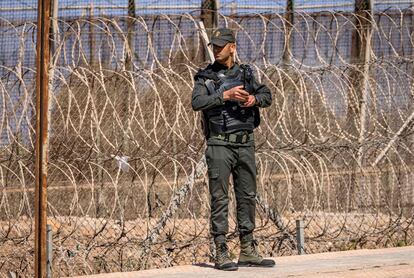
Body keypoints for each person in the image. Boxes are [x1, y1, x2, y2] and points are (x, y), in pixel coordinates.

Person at [191, 28, 275, 271]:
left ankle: (248, 249)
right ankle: (221, 251)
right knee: (219, 198)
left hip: (245, 142)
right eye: (214, 47)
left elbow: (266, 94)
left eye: (221, 46)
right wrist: (224, 95)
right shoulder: (205, 77)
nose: (216, 50)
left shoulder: (246, 73)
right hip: (219, 143)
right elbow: (197, 102)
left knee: (247, 196)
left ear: (232, 47)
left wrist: (253, 100)